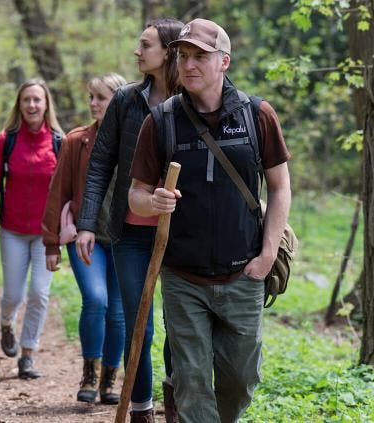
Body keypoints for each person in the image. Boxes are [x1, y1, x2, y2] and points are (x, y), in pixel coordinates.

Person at [127, 19, 291, 422]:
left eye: (200, 56)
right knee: (193, 381)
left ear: (224, 62)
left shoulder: (257, 115)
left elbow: (280, 187)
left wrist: (267, 255)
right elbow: (135, 194)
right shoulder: (161, 120)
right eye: (183, 56)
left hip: (244, 274)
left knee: (240, 380)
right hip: (184, 277)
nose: (189, 64)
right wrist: (155, 202)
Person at [75, 18, 183, 422]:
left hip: (182, 234)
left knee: (180, 326)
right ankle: (140, 410)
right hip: (130, 233)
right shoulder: (125, 100)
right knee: (141, 325)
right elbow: (101, 162)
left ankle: (173, 401)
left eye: (146, 45)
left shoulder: (193, 98)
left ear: (168, 51)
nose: (137, 52)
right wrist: (87, 222)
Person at [41, 74, 127, 404]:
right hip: (84, 237)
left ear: (118, 100)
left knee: (118, 312)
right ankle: (89, 372)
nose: (93, 103)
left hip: (123, 240)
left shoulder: (137, 140)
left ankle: (109, 379)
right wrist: (51, 243)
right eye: (91, 97)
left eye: (101, 98)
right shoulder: (77, 141)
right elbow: (58, 191)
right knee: (96, 300)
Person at [0, 79, 64, 379]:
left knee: (40, 294)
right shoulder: (6, 141)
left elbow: (66, 191)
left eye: (37, 100)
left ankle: (28, 353)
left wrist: (63, 231)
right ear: (19, 104)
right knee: (14, 295)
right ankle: (7, 323)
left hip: (46, 234)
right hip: (13, 232)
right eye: (26, 100)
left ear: (46, 105)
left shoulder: (59, 140)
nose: (31, 105)